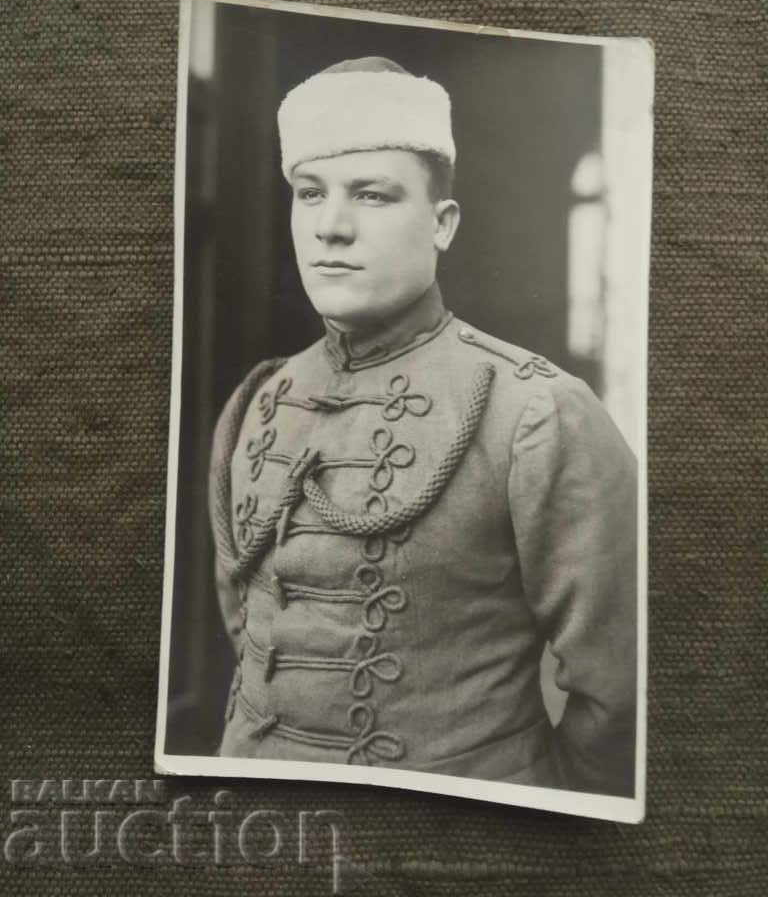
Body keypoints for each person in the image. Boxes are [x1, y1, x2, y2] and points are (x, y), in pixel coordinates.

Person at [209, 56, 637, 796]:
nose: (331, 227)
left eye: (373, 196)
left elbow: (622, 692)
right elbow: (249, 632)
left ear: (442, 224)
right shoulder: (259, 401)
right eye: (310, 194)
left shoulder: (534, 411)